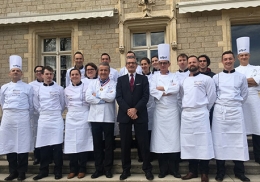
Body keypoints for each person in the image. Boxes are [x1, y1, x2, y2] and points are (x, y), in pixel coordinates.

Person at [212, 50, 250, 182]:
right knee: (220, 141)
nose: (228, 61)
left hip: (235, 112)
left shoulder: (241, 77)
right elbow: (212, 95)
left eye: (230, 59)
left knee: (238, 141)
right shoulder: (215, 77)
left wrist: (234, 104)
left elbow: (244, 95)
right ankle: (220, 172)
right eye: (225, 59)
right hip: (220, 112)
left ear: (234, 60)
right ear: (222, 61)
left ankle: (239, 172)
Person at [116, 53, 154, 180]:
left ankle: (147, 169)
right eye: (129, 63)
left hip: (140, 114)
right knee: (125, 145)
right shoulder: (120, 80)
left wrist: (135, 109)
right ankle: (126, 170)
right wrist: (128, 110)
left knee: (143, 144)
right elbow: (119, 97)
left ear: (136, 65)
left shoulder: (143, 79)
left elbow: (145, 96)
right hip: (124, 115)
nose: (131, 65)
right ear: (126, 66)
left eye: (133, 63)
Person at [180, 56, 216, 182]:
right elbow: (181, 97)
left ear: (198, 64)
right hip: (187, 115)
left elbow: (212, 97)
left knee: (203, 143)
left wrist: (204, 109)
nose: (192, 64)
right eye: (189, 62)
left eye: (194, 62)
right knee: (190, 144)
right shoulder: (184, 81)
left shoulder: (206, 79)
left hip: (201, 114)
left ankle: (204, 172)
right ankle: (192, 171)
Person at [0, 55, 34, 181]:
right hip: (8, 118)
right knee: (10, 144)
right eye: (13, 71)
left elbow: (31, 105)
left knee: (22, 145)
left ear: (22, 73)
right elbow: (2, 103)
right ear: (10, 73)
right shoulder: (4, 87)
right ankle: (12, 171)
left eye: (18, 71)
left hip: (22, 117)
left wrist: (24, 114)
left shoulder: (28, 87)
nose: (15, 72)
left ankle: (22, 172)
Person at [150, 44, 181, 179]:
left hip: (173, 112)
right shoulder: (153, 77)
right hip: (160, 112)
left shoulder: (175, 76)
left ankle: (174, 169)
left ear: (169, 63)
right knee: (160, 141)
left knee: (174, 140)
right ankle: (163, 170)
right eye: (160, 63)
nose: (162, 65)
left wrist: (161, 89)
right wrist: (167, 91)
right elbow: (152, 90)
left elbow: (177, 88)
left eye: (165, 63)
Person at [33, 66, 65, 180]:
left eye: (51, 74)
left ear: (53, 75)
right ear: (42, 75)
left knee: (57, 146)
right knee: (44, 146)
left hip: (56, 118)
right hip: (44, 119)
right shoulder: (37, 89)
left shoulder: (59, 88)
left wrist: (55, 113)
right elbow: (36, 104)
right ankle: (43, 170)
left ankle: (58, 171)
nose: (49, 76)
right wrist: (44, 112)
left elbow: (62, 104)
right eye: (47, 74)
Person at [85, 62, 116, 179]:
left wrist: (97, 95)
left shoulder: (114, 84)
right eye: (101, 70)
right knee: (97, 145)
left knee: (108, 145)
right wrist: (103, 98)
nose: (103, 72)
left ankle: (108, 169)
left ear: (109, 72)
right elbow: (88, 97)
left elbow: (112, 97)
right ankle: (98, 169)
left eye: (105, 70)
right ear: (98, 71)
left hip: (108, 118)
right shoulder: (92, 83)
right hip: (94, 118)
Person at [64, 68, 93, 179]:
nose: (75, 76)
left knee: (83, 142)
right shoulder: (66, 90)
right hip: (71, 117)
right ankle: (73, 169)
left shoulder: (87, 87)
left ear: (80, 75)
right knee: (71, 143)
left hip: (84, 115)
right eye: (72, 74)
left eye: (76, 74)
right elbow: (65, 104)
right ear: (70, 76)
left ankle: (82, 169)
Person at [235, 37, 260, 164]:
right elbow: (234, 85)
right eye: (241, 55)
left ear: (249, 55)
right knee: (242, 129)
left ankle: (258, 156)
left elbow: (257, 81)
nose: (244, 57)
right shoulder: (235, 71)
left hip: (255, 103)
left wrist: (242, 81)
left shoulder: (258, 68)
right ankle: (242, 158)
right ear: (238, 57)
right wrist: (249, 81)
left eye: (246, 55)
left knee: (257, 128)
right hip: (241, 103)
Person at [139, 57, 155, 162]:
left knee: (151, 132)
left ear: (149, 65)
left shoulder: (155, 77)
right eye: (142, 64)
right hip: (141, 108)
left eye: (145, 64)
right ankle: (142, 155)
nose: (144, 66)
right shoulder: (138, 78)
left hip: (152, 107)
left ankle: (152, 154)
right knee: (142, 134)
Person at [29, 65, 44, 166]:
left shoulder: (51, 84)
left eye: (40, 71)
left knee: (46, 135)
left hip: (47, 115)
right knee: (36, 135)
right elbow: (31, 100)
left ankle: (47, 156)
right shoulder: (30, 85)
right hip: (35, 114)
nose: (38, 73)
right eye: (36, 71)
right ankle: (37, 156)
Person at [198, 55, 215, 125]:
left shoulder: (213, 76)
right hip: (199, 106)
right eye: (200, 61)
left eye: (204, 61)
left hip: (210, 107)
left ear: (207, 63)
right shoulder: (194, 76)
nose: (202, 63)